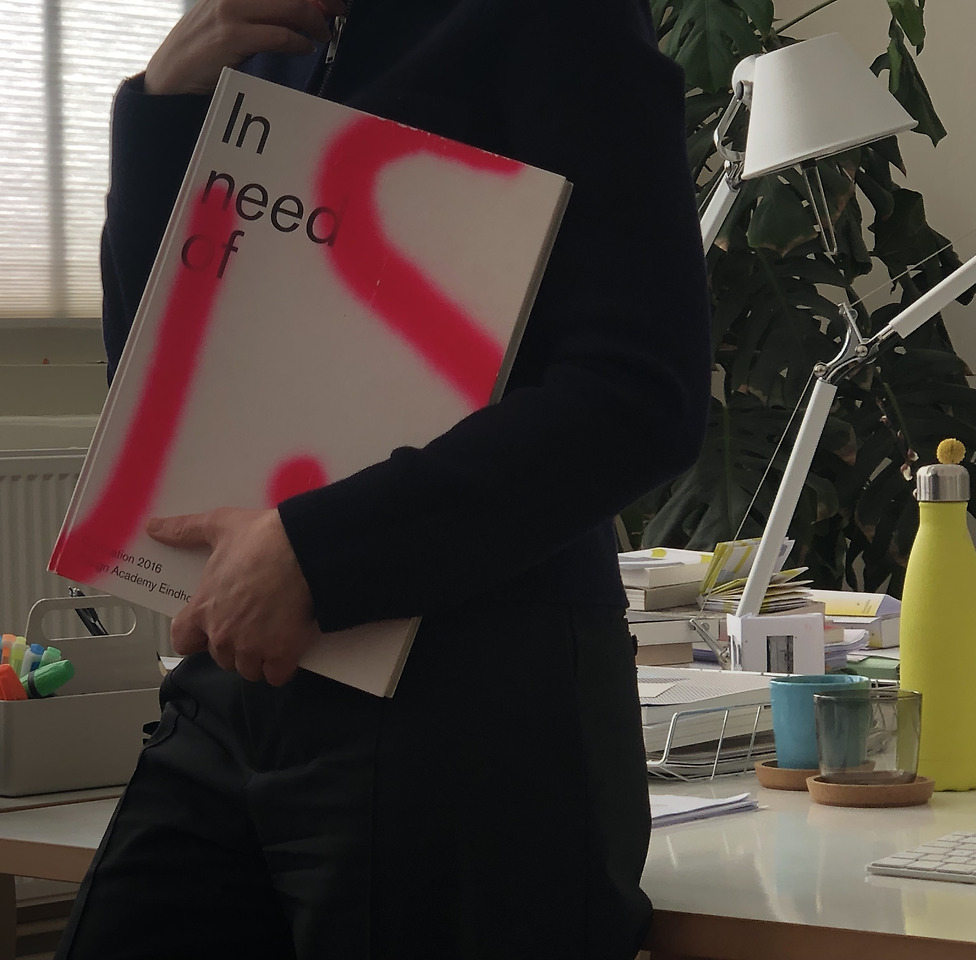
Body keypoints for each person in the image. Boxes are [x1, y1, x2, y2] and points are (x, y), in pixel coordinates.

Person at [58, 0, 710, 957]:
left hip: (471, 706)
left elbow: (639, 393)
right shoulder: (262, 39)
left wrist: (317, 554)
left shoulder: (557, 20)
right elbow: (156, 381)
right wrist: (163, 108)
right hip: (237, 687)